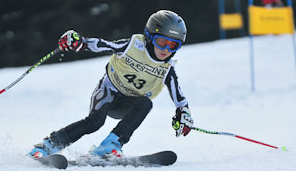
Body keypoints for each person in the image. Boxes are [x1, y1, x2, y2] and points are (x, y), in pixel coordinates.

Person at [29, 10, 193, 158]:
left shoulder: (167, 69)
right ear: (149, 37)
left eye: (173, 45)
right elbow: (103, 45)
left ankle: (110, 145)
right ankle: (48, 145)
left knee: (145, 104)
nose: (166, 49)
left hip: (128, 104)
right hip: (108, 91)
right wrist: (80, 42)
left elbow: (179, 97)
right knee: (94, 122)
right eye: (162, 42)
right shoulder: (132, 46)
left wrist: (183, 114)